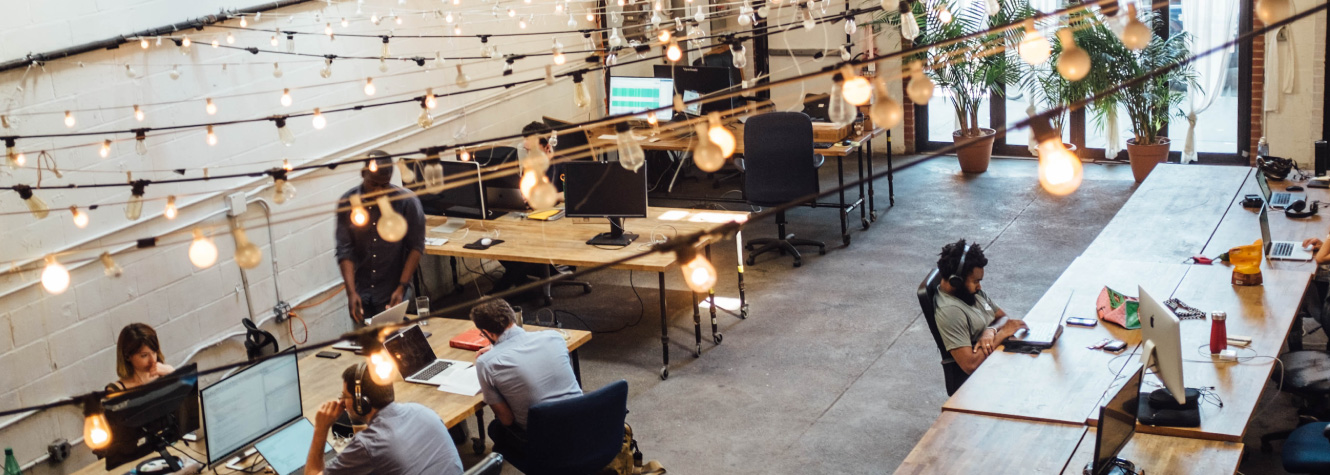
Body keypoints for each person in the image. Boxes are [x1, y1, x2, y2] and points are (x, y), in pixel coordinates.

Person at [305, 363, 463, 475]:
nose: (342, 403)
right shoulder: (422, 411)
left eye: (344, 397)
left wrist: (320, 428)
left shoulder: (369, 445)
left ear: (362, 403)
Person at [470, 299, 582, 456]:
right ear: (512, 317)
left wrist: (496, 351)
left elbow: (507, 420)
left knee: (496, 428)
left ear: (487, 333)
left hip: (544, 442)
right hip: (582, 424)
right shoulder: (553, 337)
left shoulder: (486, 363)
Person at [335, 151, 426, 325]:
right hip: (362, 290)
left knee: (394, 341)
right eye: (373, 184)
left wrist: (401, 287)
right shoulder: (348, 202)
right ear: (363, 174)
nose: (378, 191)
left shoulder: (406, 202)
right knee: (367, 344)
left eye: (384, 185)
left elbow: (416, 247)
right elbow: (344, 250)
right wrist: (351, 292)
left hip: (393, 288)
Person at [933, 239, 1026, 394]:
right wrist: (1002, 333)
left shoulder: (968, 292)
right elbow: (970, 365)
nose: (979, 286)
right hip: (983, 380)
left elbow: (1002, 317)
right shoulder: (951, 312)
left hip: (998, 358)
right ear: (956, 281)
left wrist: (990, 330)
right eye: (975, 281)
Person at [490, 123, 564, 293]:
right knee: (500, 242)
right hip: (531, 220)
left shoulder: (562, 165)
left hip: (555, 227)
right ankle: (518, 280)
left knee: (524, 251)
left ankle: (497, 293)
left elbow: (573, 193)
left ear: (546, 148)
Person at [107, 323, 175, 392]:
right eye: (144, 355)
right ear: (127, 356)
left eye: (154, 352)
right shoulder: (116, 390)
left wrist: (173, 373)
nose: (152, 360)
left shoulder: (165, 374)